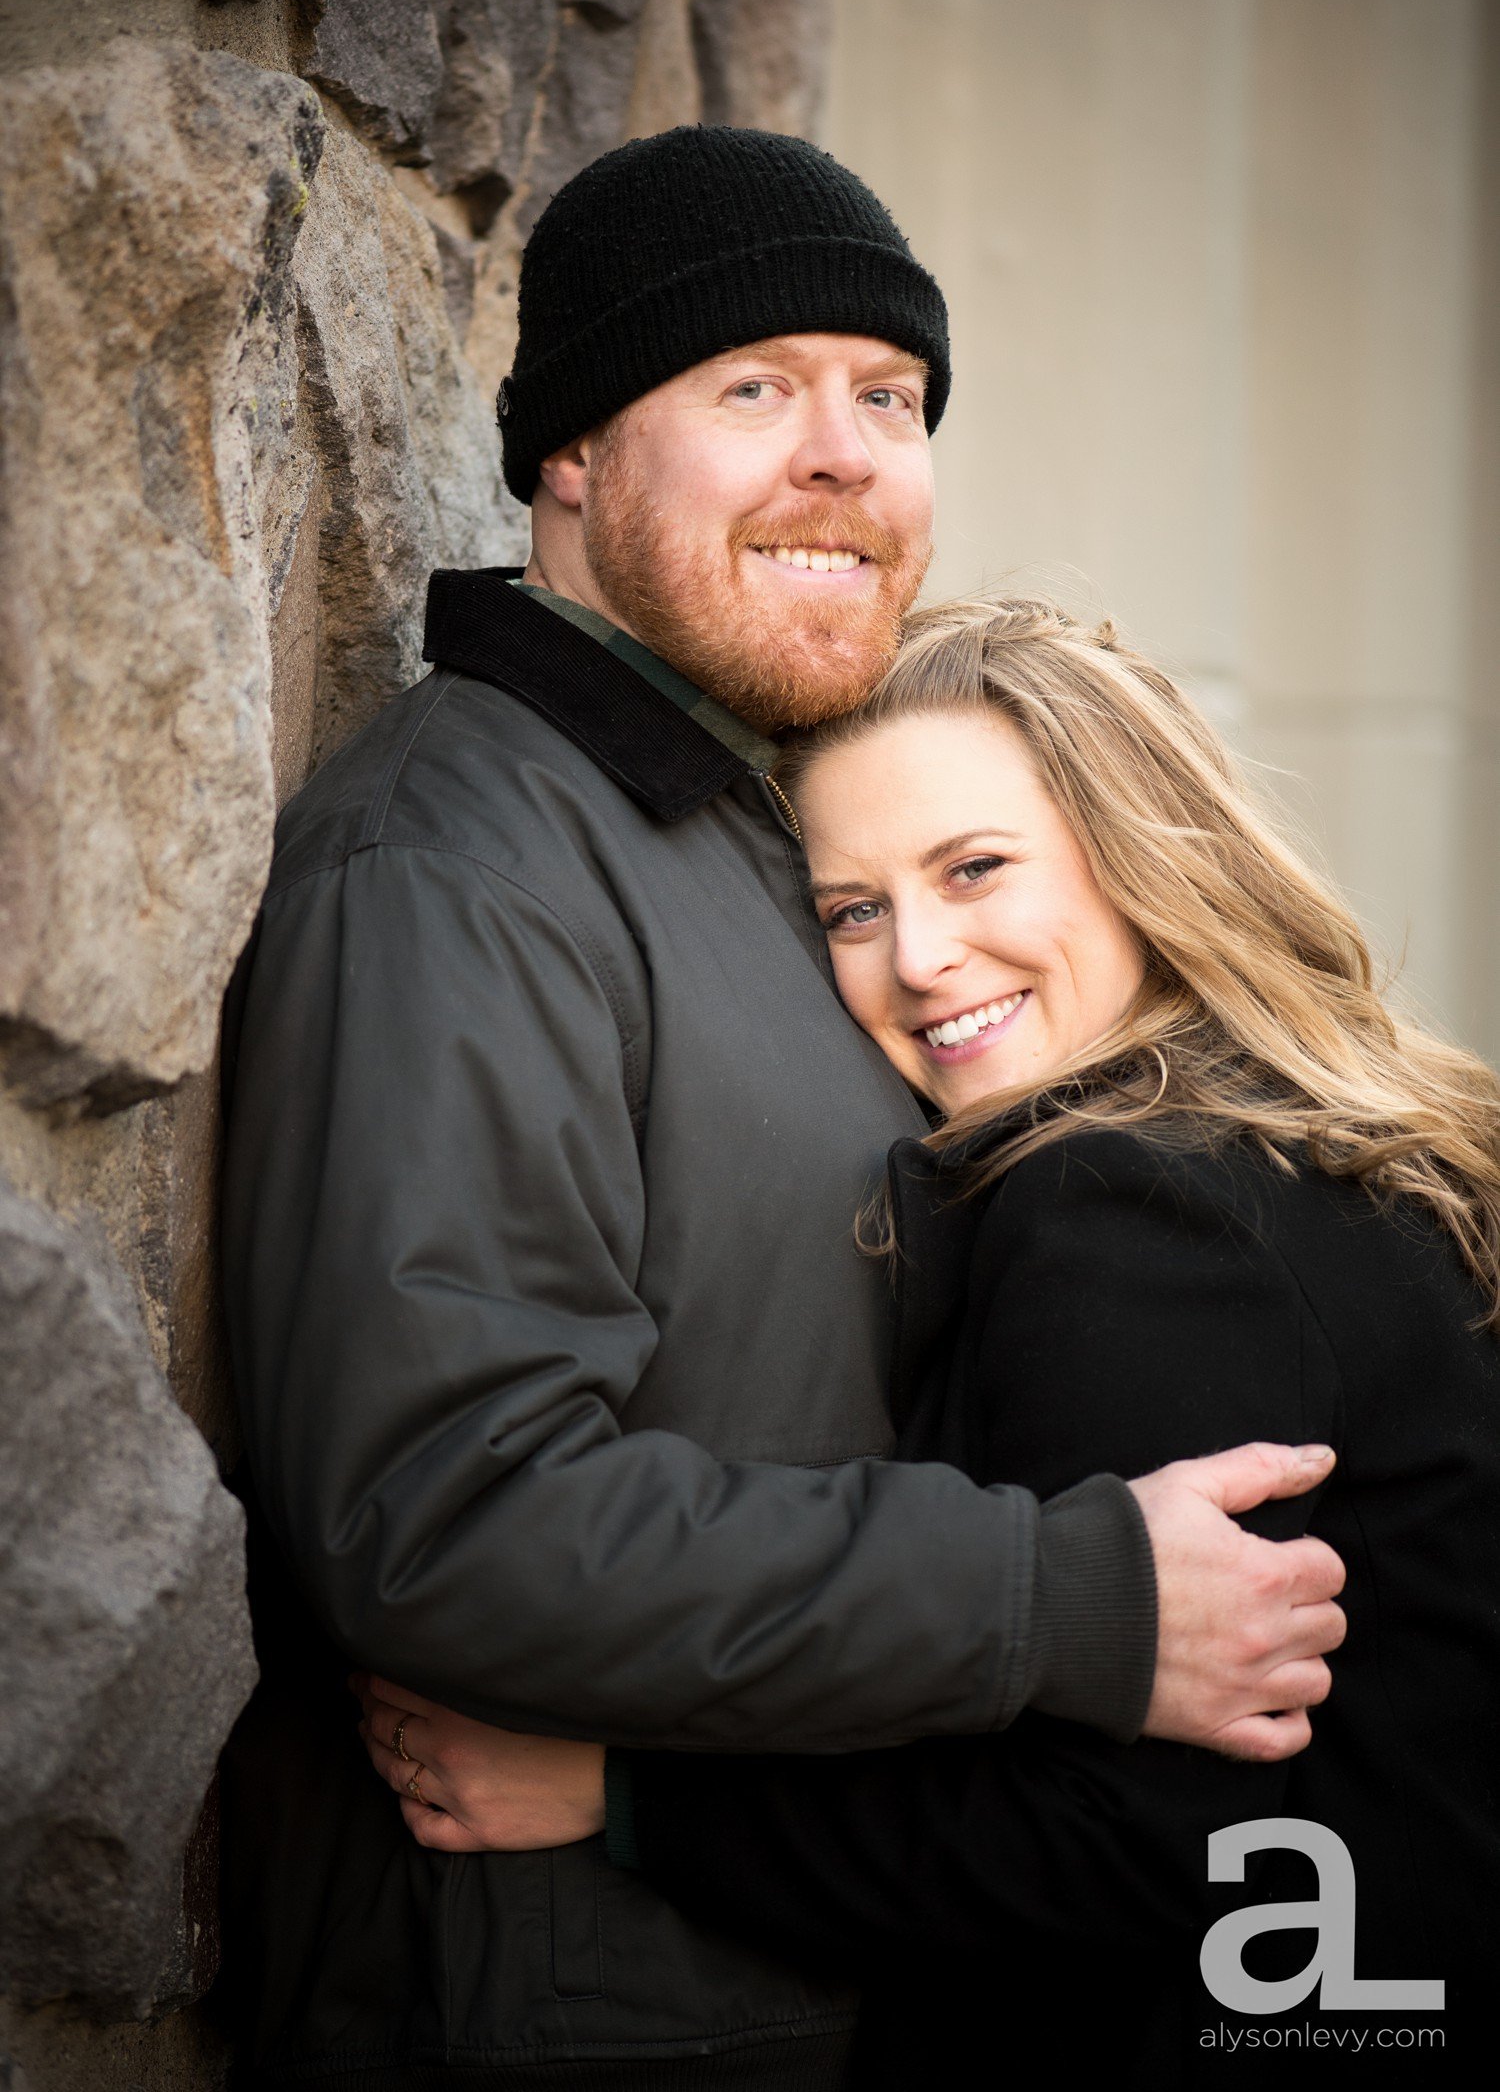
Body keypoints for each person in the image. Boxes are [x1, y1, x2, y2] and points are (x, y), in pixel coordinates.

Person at [219, 129, 1344, 2092]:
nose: (844, 456)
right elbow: (449, 1519)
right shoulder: (459, 862)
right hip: (562, 2018)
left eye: (889, 399)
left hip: (810, 1972)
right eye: (754, 388)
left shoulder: (789, 827)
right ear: (567, 451)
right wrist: (1064, 1595)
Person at [355, 595, 1500, 2082]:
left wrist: (623, 1794)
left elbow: (1150, 1845)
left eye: (975, 871)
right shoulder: (1318, 1153)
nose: (919, 959)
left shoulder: (1139, 1205)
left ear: (1139, 851)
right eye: (852, 909)